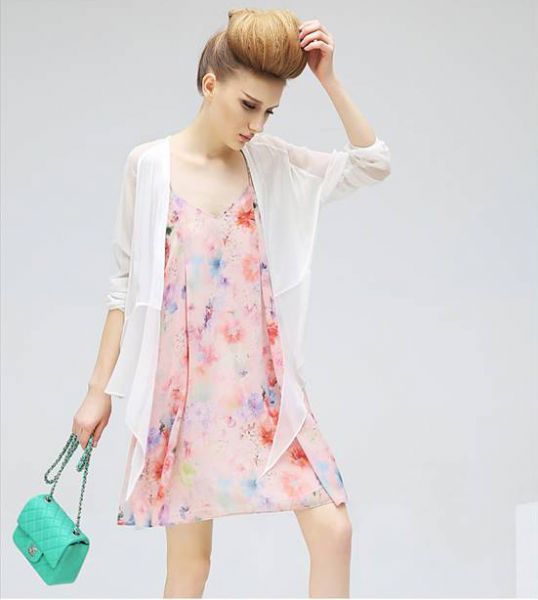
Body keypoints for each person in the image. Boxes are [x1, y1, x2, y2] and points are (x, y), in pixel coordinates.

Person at [72, 7, 391, 598]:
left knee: (334, 531)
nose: (257, 124)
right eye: (248, 105)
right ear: (209, 84)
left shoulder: (270, 163)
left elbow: (372, 164)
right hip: (185, 391)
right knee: (191, 567)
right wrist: (98, 393)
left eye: (269, 112)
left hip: (264, 391)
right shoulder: (150, 167)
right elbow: (125, 286)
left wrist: (328, 80)